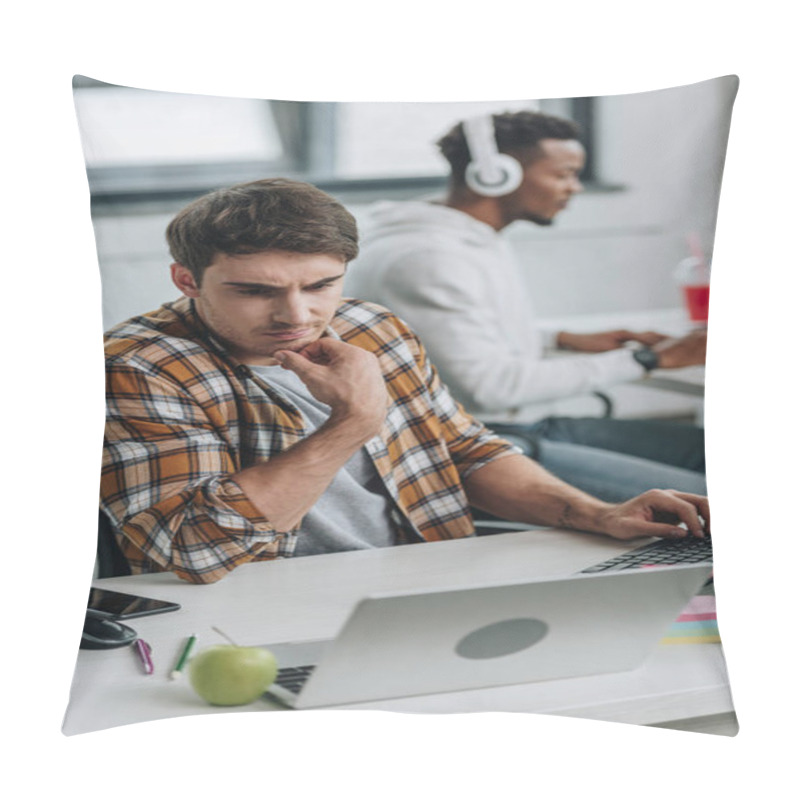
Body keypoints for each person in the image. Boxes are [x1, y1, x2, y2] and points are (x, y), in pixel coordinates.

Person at [101, 178, 709, 585]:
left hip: (423, 581)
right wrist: (352, 424)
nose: (296, 315)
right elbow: (194, 551)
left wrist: (597, 514)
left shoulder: (372, 327)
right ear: (186, 280)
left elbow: (463, 450)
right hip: (256, 607)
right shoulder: (138, 367)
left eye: (319, 285)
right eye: (256, 291)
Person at [344, 111, 708, 503]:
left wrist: (563, 339)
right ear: (497, 175)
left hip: (521, 425)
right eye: (563, 174)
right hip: (478, 444)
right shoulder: (428, 257)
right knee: (704, 494)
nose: (575, 188)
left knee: (709, 452)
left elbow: (454, 338)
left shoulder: (469, 239)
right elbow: (492, 387)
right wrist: (648, 360)